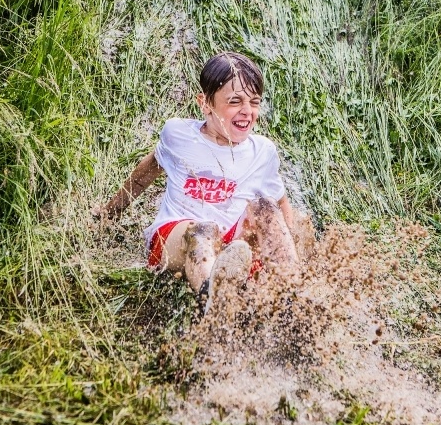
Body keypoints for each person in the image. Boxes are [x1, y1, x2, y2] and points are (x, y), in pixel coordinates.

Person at [95, 52, 302, 315]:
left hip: (230, 244)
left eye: (254, 102)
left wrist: (288, 242)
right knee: (204, 231)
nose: (247, 112)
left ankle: (293, 292)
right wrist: (109, 212)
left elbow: (280, 204)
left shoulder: (262, 151)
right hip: (177, 237)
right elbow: (145, 173)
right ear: (205, 103)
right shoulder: (179, 135)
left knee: (264, 207)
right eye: (235, 101)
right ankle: (213, 300)